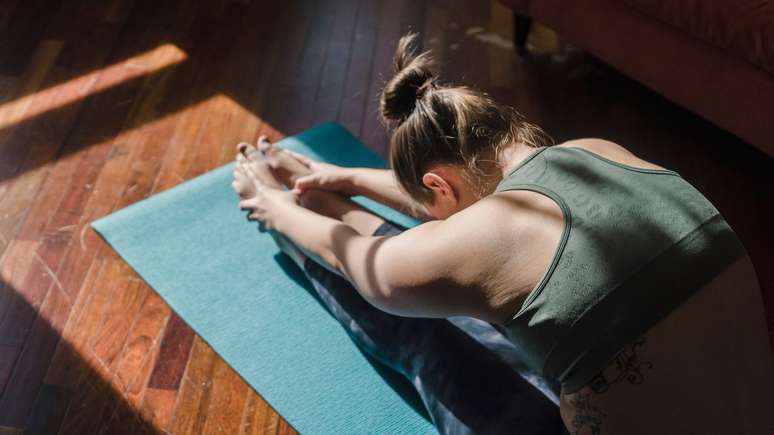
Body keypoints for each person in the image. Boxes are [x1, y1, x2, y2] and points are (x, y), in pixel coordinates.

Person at [231, 33, 774, 435]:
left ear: (438, 185)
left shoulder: (491, 236)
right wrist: (347, 178)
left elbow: (364, 265)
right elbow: (470, 207)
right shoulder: (595, 153)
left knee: (432, 335)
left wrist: (272, 206)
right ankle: (326, 199)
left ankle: (311, 210)